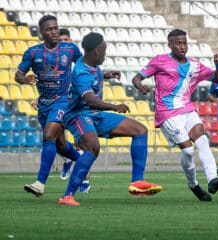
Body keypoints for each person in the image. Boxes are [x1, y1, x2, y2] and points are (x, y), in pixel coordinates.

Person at [57, 32, 162, 206]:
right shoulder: (81, 72)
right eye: (104, 50)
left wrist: (106, 75)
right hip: (78, 115)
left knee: (140, 130)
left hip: (95, 115)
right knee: (93, 147)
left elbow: (94, 79)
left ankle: (137, 182)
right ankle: (67, 195)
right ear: (97, 51)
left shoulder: (92, 65)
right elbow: (90, 100)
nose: (106, 53)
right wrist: (114, 106)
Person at [131, 29, 218, 202]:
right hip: (167, 112)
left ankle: (213, 179)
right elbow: (136, 78)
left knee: (202, 139)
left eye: (184, 43)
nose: (182, 46)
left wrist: (217, 66)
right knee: (188, 150)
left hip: (187, 109)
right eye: (178, 43)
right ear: (170, 45)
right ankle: (194, 185)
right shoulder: (160, 60)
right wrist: (140, 86)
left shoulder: (194, 65)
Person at [16, 15, 82, 197]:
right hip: (44, 103)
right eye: (49, 29)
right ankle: (83, 161)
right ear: (41, 32)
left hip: (64, 100)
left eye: (56, 28)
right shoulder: (32, 53)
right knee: (60, 145)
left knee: (48, 135)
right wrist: (24, 79)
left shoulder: (70, 49)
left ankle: (40, 183)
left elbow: (85, 66)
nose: (54, 32)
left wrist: (101, 77)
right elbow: (18, 74)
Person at [56, 28, 91, 193]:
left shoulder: (79, 67)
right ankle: (68, 159)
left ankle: (84, 178)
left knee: (83, 142)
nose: (64, 42)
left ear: (70, 40)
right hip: (60, 103)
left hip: (76, 106)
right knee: (57, 140)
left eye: (66, 39)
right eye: (60, 40)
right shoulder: (58, 66)